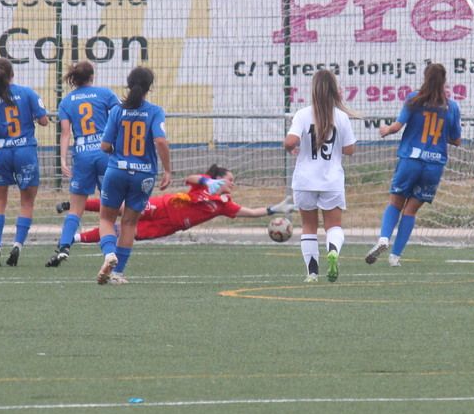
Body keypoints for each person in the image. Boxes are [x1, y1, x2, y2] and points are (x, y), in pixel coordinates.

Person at [365, 62, 462, 267]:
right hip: (434, 165)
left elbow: (398, 126)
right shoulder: (452, 106)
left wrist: (385, 130)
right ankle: (395, 257)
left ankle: (383, 239)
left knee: (395, 203)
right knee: (410, 211)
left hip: (411, 160)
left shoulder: (414, 99)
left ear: (425, 78)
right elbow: (456, 140)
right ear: (444, 81)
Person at [65, 165, 294, 243]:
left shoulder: (224, 203)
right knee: (120, 209)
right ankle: (74, 206)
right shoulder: (206, 186)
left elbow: (250, 212)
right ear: (219, 177)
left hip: (168, 226)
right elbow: (190, 179)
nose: (232, 184)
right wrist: (207, 181)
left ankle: (74, 239)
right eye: (230, 179)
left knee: (122, 232)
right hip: (163, 205)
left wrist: (274, 209)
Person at [94, 66, 171, 285]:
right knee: (129, 223)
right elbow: (161, 141)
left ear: (129, 85)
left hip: (117, 170)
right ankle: (118, 273)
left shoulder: (118, 111)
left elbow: (105, 145)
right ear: (149, 88)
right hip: (143, 175)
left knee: (106, 218)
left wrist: (115, 151)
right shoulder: (155, 111)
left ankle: (109, 254)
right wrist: (167, 169)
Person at [0, 57, 51, 267]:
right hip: (25, 151)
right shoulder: (27, 92)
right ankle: (17, 244)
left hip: (1, 153)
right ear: (12, 75)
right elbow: (44, 120)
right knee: (27, 202)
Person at [285, 68, 356, 282]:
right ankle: (333, 250)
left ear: (314, 90)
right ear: (335, 91)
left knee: (309, 226)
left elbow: (290, 141)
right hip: (331, 180)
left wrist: (292, 148)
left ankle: (312, 272)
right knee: (333, 226)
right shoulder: (341, 117)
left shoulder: (302, 114)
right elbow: (350, 149)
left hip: (305, 180)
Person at [47, 61, 120, 268]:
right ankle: (110, 251)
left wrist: (62, 159)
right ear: (92, 76)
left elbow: (66, 133)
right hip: (105, 154)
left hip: (82, 155)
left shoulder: (67, 102)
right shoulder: (105, 94)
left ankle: (64, 247)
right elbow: (119, 119)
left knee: (76, 208)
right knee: (110, 208)